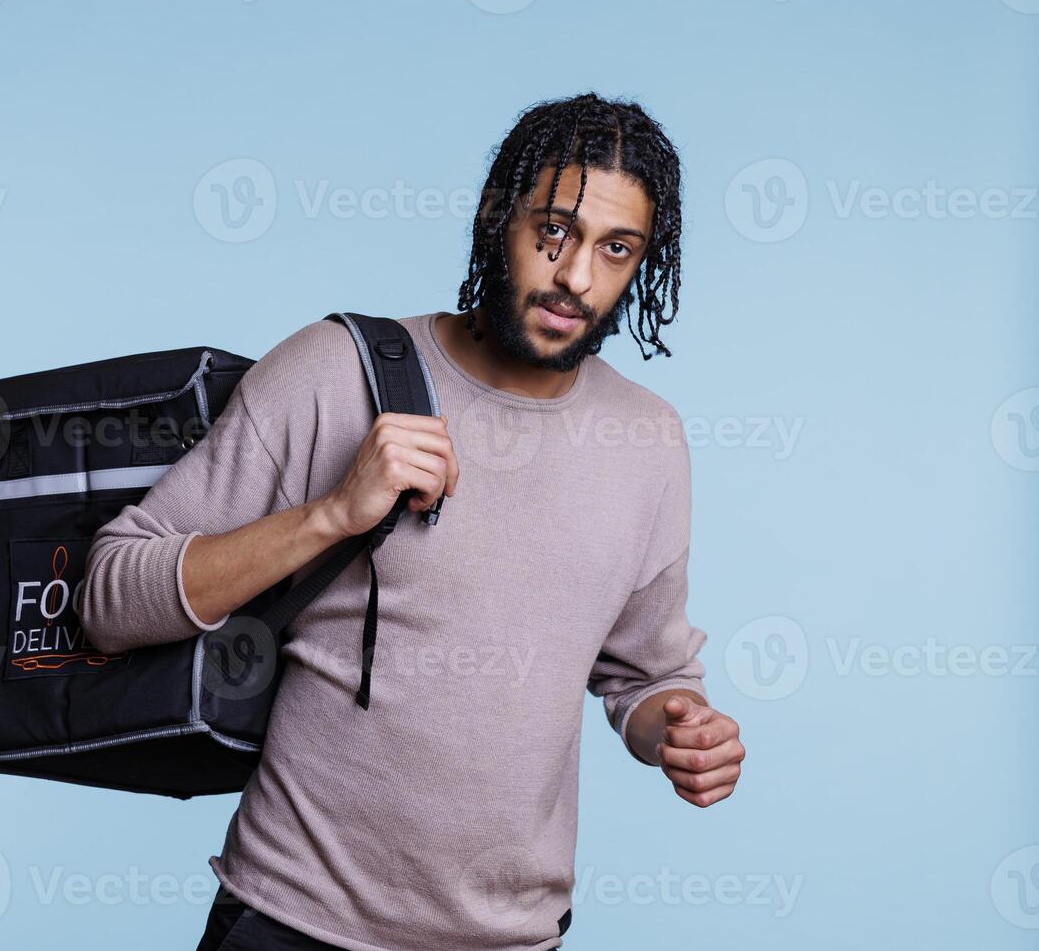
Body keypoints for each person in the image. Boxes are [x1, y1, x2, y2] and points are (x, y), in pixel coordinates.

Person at [79, 92, 746, 951]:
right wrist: (329, 515)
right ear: (495, 219)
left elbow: (644, 675)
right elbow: (105, 598)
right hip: (290, 922)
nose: (577, 277)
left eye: (615, 249)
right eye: (554, 232)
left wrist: (679, 730)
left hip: (512, 938)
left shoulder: (648, 440)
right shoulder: (333, 372)